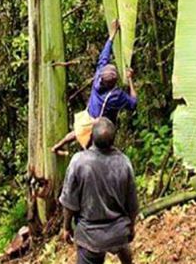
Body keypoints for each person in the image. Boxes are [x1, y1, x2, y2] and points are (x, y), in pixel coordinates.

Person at [60, 117, 139, 264]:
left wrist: (66, 227)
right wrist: (131, 228)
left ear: (91, 137)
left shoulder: (79, 162)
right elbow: (132, 204)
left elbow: (69, 202)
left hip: (90, 235)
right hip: (118, 231)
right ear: (114, 140)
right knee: (121, 245)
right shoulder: (124, 162)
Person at [52, 20, 137, 154]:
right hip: (99, 126)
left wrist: (112, 35)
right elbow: (133, 103)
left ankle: (58, 146)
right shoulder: (115, 96)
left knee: (77, 132)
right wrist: (130, 80)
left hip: (88, 116)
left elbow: (104, 56)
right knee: (94, 149)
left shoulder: (99, 76)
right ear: (114, 82)